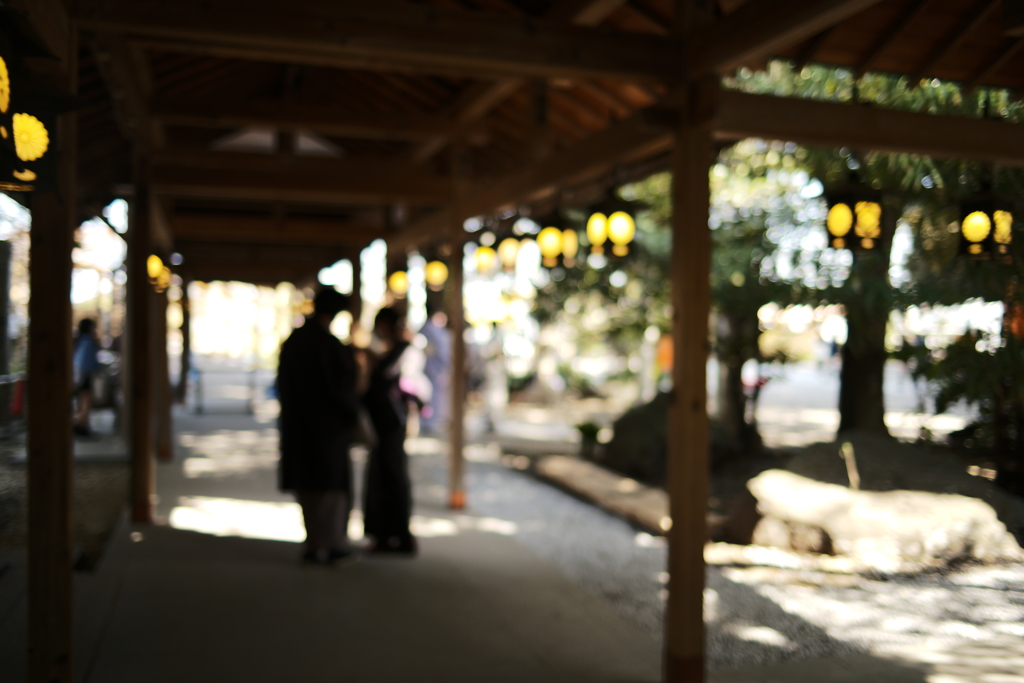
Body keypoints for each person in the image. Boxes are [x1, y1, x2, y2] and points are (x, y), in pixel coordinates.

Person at [277, 289, 359, 566]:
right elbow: (340, 387)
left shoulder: (295, 341)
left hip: (299, 425)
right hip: (327, 429)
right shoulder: (327, 345)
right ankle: (332, 543)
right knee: (329, 489)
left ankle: (314, 544)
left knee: (308, 488)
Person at [363, 307, 422, 555]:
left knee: (391, 480)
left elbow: (382, 378)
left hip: (390, 425)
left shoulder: (402, 351)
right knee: (386, 479)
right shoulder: (395, 350)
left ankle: (395, 534)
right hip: (384, 424)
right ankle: (388, 534)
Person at [418, 303, 451, 434]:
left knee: (429, 396)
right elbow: (444, 352)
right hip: (435, 368)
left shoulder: (424, 328)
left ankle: (428, 422)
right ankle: (431, 422)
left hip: (427, 367)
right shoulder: (435, 330)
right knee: (434, 397)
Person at [73, 318, 100, 437]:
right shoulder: (88, 341)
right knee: (86, 402)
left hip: (80, 375)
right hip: (84, 375)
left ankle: (81, 425)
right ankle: (79, 424)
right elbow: (85, 361)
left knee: (84, 402)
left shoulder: (80, 340)